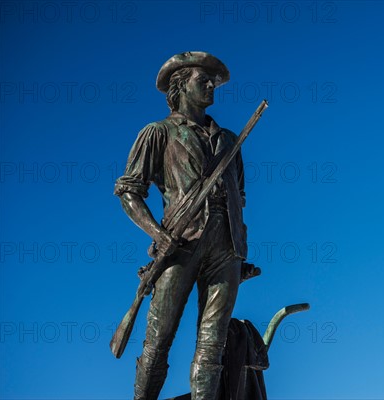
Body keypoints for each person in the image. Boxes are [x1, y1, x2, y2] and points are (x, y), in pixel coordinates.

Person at [114, 51, 248, 400]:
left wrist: (239, 251)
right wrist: (158, 235)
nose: (210, 84)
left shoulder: (230, 141)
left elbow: (239, 197)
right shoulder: (158, 133)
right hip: (179, 243)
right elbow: (128, 191)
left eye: (212, 80)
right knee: (159, 342)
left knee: (212, 345)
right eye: (201, 79)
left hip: (227, 248)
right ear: (179, 86)